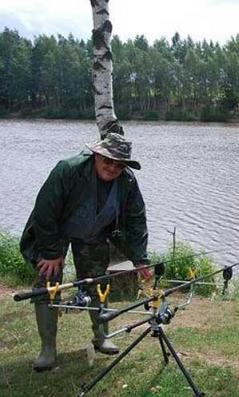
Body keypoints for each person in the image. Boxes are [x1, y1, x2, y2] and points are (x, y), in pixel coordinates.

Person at [20, 132, 153, 372]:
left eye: (119, 164)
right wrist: (51, 252)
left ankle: (101, 336)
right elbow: (44, 211)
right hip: (54, 232)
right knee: (47, 283)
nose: (112, 167)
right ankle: (47, 348)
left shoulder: (128, 182)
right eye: (108, 160)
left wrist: (140, 258)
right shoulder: (67, 170)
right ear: (96, 155)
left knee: (98, 282)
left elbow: (136, 220)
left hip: (94, 232)